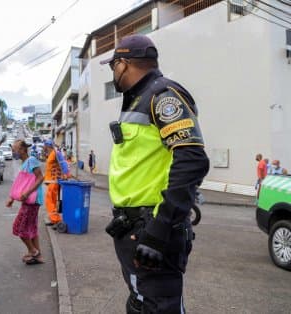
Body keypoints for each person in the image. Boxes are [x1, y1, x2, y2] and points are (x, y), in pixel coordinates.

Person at [102, 34, 209, 313]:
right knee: (142, 301)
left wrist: (159, 230)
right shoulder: (138, 99)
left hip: (151, 229)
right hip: (134, 227)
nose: (113, 72)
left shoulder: (162, 95)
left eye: (113, 65)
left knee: (158, 306)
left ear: (123, 64)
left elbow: (192, 159)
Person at [6, 139, 45, 265]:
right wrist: (12, 198)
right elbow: (21, 184)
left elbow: (40, 178)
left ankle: (33, 251)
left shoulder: (31, 160)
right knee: (31, 227)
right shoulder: (25, 163)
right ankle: (38, 255)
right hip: (30, 200)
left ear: (22, 150)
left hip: (32, 200)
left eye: (14, 150)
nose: (13, 153)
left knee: (19, 227)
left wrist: (27, 193)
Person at [43, 139, 62, 226]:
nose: (43, 147)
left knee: (49, 200)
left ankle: (55, 219)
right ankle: (54, 219)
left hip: (54, 181)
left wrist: (65, 175)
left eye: (45, 145)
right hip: (52, 181)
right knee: (52, 201)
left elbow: (62, 164)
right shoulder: (51, 154)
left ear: (47, 146)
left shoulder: (55, 153)